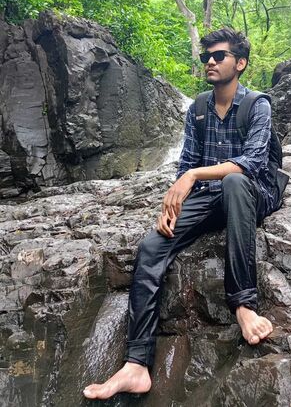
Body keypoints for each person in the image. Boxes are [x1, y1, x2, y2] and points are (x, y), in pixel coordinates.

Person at [83, 28, 275, 400]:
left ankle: (244, 305)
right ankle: (137, 364)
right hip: (208, 198)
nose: (210, 62)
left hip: (250, 193)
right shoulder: (198, 108)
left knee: (235, 182)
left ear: (240, 63)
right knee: (152, 245)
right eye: (206, 57)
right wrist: (172, 206)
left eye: (218, 56)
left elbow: (251, 162)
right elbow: (185, 164)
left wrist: (194, 176)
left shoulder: (257, 105)